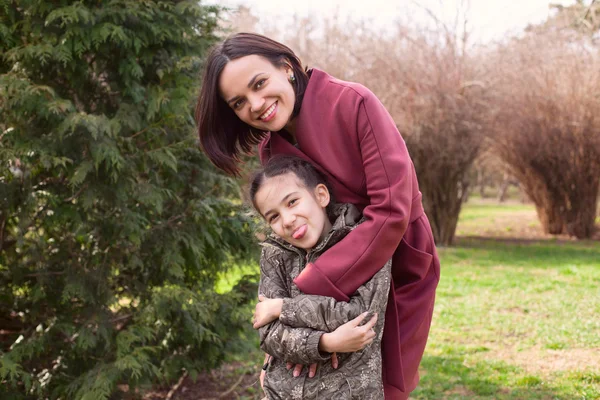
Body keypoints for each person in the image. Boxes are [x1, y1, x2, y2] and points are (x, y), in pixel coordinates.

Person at [196, 32, 440, 399]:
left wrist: (305, 294)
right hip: (314, 285)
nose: (257, 104)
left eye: (259, 84)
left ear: (286, 67)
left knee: (385, 385)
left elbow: (392, 210)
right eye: (239, 102)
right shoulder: (272, 154)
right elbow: (287, 243)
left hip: (393, 260)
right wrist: (283, 350)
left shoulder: (352, 102)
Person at [249, 155, 391, 399]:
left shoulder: (364, 240)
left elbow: (362, 318)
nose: (287, 220)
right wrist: (326, 342)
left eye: (292, 202)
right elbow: (269, 334)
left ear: (321, 196)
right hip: (281, 393)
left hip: (346, 392)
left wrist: (283, 307)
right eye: (273, 216)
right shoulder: (275, 254)